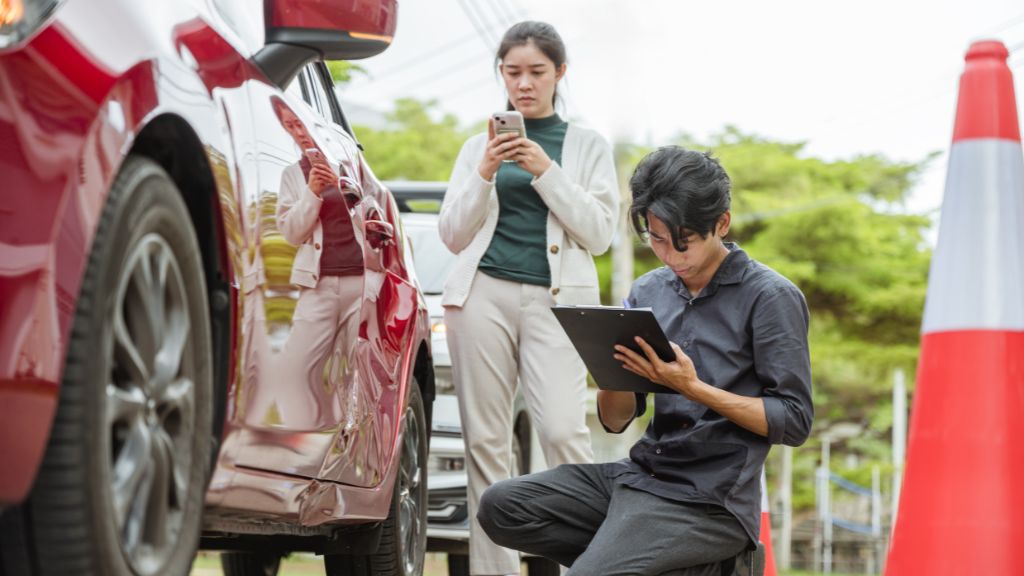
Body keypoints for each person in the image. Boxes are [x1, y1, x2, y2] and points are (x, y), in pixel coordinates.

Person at [476, 147, 814, 575]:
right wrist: (609, 365)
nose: (670, 256)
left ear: (722, 223)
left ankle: (701, 560)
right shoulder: (649, 291)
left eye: (683, 242)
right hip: (641, 476)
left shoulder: (770, 296)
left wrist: (692, 387)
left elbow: (794, 420)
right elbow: (615, 420)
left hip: (711, 501)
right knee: (502, 506)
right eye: (656, 239)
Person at [438, 21, 619, 576]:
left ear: (559, 73)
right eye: (512, 72)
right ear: (501, 74)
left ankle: (588, 567)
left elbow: (600, 234)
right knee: (485, 443)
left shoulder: (588, 145)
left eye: (537, 71)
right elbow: (452, 234)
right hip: (481, 296)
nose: (523, 83)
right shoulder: (476, 147)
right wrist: (485, 171)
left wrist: (546, 171)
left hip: (558, 304)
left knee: (564, 433)